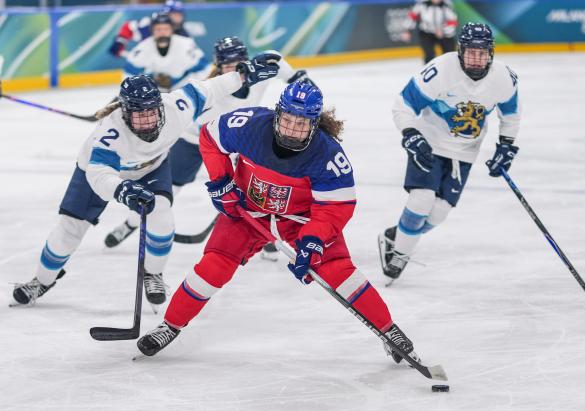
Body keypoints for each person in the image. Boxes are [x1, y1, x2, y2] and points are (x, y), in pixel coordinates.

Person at [135, 81, 424, 368]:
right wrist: (221, 182)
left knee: (339, 270)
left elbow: (335, 208)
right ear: (277, 115)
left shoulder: (328, 156)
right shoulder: (248, 126)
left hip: (300, 220)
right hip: (246, 211)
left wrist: (313, 240)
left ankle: (388, 330)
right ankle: (170, 326)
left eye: (301, 124)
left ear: (314, 124)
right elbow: (210, 138)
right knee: (214, 266)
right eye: (287, 120)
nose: (292, 130)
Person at [11, 57, 281, 307]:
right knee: (70, 229)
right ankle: (42, 281)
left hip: (152, 168)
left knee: (162, 216)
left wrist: (243, 76)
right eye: (139, 115)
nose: (147, 121)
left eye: (151, 113)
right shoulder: (111, 132)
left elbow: (211, 87)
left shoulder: (177, 106)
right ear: (125, 112)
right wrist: (120, 189)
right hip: (99, 174)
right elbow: (98, 174)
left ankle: (153, 274)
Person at [104, 36, 315, 262]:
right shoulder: (211, 92)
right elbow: (176, 108)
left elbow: (276, 58)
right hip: (194, 140)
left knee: (258, 189)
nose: (232, 68)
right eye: (227, 64)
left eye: (237, 62)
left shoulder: (257, 75)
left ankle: (267, 238)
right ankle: (130, 224)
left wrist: (297, 77)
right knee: (165, 192)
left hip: (235, 142)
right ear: (218, 65)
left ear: (245, 61)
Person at [378, 22, 521, 283]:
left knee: (438, 213)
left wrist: (506, 146)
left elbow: (510, 115)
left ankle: (396, 235)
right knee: (421, 200)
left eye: (482, 53)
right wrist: (411, 134)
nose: (476, 59)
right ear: (460, 51)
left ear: (491, 53)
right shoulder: (441, 70)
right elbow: (403, 105)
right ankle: (400, 254)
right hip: (429, 144)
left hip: (465, 153)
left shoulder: (503, 78)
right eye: (470, 52)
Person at [123, 12, 208, 92]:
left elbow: (203, 68)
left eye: (166, 29)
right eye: (158, 29)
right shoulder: (143, 47)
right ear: (152, 30)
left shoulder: (187, 44)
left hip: (183, 91)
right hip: (153, 94)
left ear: (172, 30)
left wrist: (180, 83)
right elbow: (129, 72)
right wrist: (149, 83)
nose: (162, 33)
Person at [108, 0, 189, 58]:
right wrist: (120, 41)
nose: (177, 19)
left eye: (180, 15)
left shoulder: (184, 35)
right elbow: (128, 27)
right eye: (174, 14)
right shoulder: (148, 24)